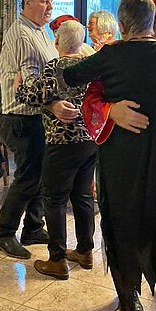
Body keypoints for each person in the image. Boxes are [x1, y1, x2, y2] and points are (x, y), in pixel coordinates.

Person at [60, 0, 156, 311]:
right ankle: (135, 296)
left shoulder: (143, 54)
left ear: (124, 23)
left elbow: (69, 76)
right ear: (151, 19)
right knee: (141, 222)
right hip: (149, 155)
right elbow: (90, 98)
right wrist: (110, 109)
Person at [0, 0, 77, 259]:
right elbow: (30, 84)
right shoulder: (22, 34)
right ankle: (4, 233)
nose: (49, 6)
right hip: (21, 116)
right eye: (43, 1)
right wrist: (53, 104)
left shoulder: (40, 31)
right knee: (28, 178)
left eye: (51, 1)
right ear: (27, 2)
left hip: (37, 115)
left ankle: (33, 227)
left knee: (41, 176)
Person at [16, 20, 97, 280]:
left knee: (54, 199)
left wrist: (19, 86)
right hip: (89, 141)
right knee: (83, 196)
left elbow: (31, 96)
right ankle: (85, 251)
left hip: (62, 143)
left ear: (58, 41)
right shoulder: (91, 68)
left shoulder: (54, 67)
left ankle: (57, 259)